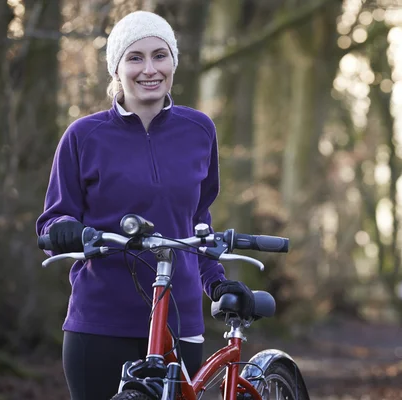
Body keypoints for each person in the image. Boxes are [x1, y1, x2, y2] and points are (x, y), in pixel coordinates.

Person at [36, 11, 255, 400]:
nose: (149, 69)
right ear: (116, 69)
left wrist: (215, 280)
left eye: (160, 55)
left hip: (180, 318)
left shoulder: (199, 130)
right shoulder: (84, 136)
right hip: (100, 319)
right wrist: (65, 230)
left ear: (173, 62)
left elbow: (195, 224)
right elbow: (53, 220)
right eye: (135, 58)